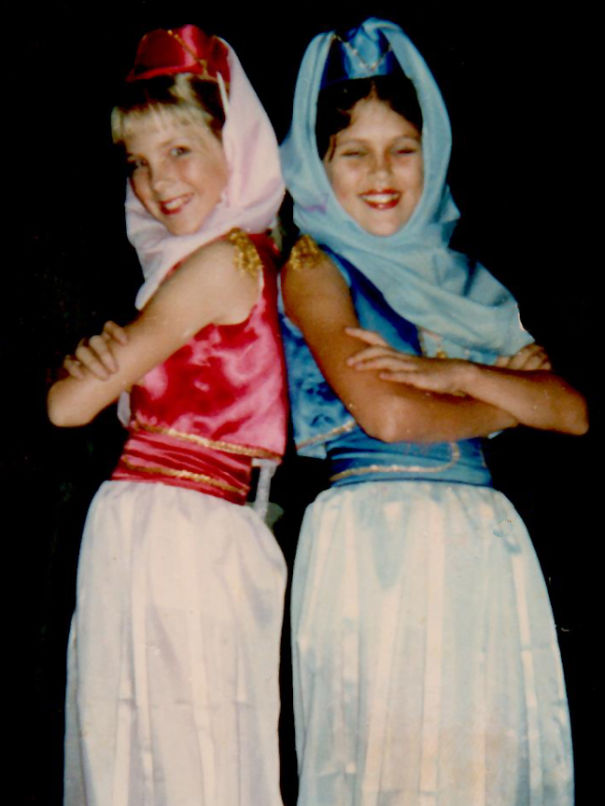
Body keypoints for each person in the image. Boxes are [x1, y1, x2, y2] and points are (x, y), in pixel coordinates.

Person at [279, 18, 587, 805]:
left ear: (434, 153)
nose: (381, 173)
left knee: (477, 769)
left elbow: (573, 412)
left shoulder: (465, 282)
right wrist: (499, 401)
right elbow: (389, 418)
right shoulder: (315, 265)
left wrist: (449, 370)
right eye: (353, 152)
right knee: (385, 764)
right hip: (375, 538)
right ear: (318, 165)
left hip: (479, 540)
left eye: (402, 149)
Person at [48, 24, 287, 805]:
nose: (158, 182)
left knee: (189, 747)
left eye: (180, 151)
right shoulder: (223, 260)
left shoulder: (223, 261)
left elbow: (67, 403)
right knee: (172, 746)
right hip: (179, 522)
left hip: (185, 529)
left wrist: (91, 364)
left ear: (237, 147)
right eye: (138, 164)